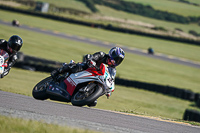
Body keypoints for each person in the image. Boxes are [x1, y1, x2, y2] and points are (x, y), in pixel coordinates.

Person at [51, 47, 125, 106]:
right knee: (77, 67)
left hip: (98, 78)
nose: (116, 61)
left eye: (119, 60)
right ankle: (58, 71)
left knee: (93, 103)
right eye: (116, 59)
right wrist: (91, 60)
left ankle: (86, 94)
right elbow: (93, 57)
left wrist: (109, 91)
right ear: (111, 55)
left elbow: (111, 80)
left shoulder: (113, 70)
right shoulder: (102, 55)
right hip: (89, 69)